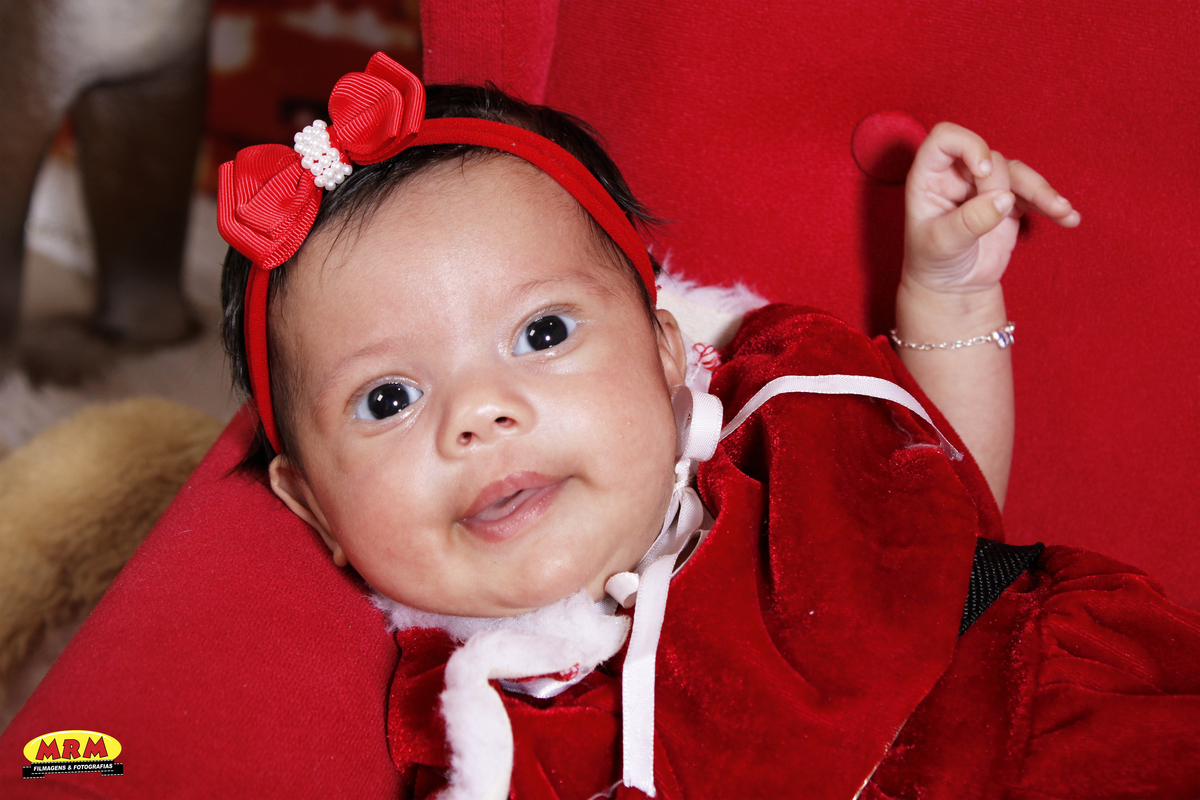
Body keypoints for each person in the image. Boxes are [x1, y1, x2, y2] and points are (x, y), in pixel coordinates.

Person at [217, 53, 1199, 799]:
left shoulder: (773, 433)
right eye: (388, 398)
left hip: (1046, 716)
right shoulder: (477, 726)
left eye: (542, 333)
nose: (479, 413)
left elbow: (948, 515)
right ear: (312, 504)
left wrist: (951, 295)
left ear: (662, 354)